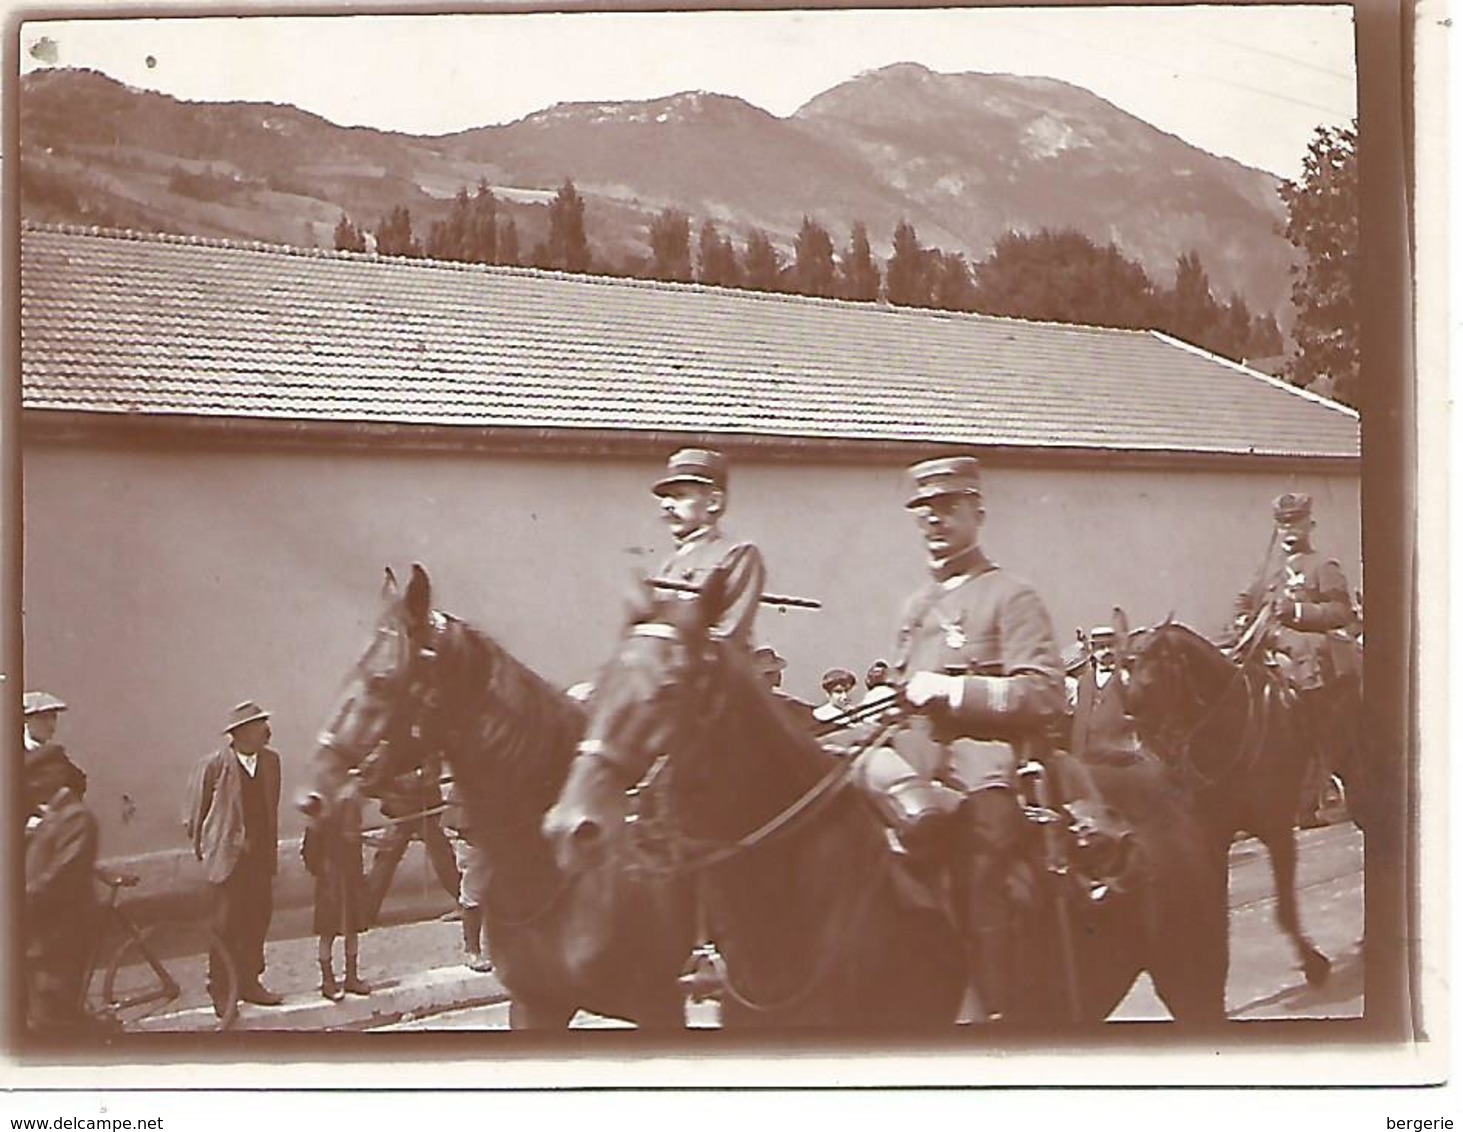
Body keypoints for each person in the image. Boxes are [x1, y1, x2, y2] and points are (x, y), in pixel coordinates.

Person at [852, 455, 1066, 1022]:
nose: (934, 521)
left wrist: (952, 692)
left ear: (978, 512)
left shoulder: (1010, 595)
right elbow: (904, 693)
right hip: (911, 759)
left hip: (984, 763)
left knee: (982, 860)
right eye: (923, 510)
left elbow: (1044, 695)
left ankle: (996, 1008)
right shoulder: (914, 606)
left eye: (948, 508)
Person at [1233, 492, 1363, 828]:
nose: (1289, 530)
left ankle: (1311, 786)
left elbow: (1341, 611)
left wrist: (1297, 612)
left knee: (1307, 673)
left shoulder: (1324, 566)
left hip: (1308, 651)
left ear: (1310, 524)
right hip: (1268, 647)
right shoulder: (1266, 569)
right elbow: (1244, 601)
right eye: (1283, 523)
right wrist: (1242, 620)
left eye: (1296, 523)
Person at [184, 700, 285, 1014]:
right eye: (258, 726)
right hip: (228, 860)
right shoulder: (215, 764)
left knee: (257, 919)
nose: (266, 731)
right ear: (240, 733)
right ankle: (221, 989)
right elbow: (194, 812)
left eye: (265, 723)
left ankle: (250, 982)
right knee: (226, 924)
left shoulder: (271, 762)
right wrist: (207, 847)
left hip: (260, 858)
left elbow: (270, 807)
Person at [649, 448, 767, 648]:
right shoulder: (670, 563)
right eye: (665, 497)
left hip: (712, 668)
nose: (667, 504)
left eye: (679, 495)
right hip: (665, 665)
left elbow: (729, 633)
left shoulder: (737, 553)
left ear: (714, 502)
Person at [23, 744, 99, 1033]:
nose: (32, 783)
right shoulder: (50, 817)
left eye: (37, 776)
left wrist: (23, 898)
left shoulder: (75, 817)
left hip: (62, 932)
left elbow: (61, 876)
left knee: (55, 1017)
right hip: (42, 932)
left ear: (56, 775)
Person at [363, 750, 462, 925]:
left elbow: (431, 772)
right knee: (385, 858)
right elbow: (371, 780)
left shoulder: (421, 740)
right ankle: (365, 913)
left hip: (422, 809)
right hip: (400, 809)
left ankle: (465, 902)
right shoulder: (388, 744)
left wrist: (400, 782)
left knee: (441, 856)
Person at [301, 772, 371, 1002]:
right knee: (328, 930)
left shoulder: (352, 811)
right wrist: (320, 869)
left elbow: (356, 840)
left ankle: (351, 976)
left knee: (352, 928)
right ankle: (328, 980)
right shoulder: (319, 815)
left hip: (350, 875)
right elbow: (309, 850)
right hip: (330, 878)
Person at [1068, 626, 1141, 763]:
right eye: (1101, 648)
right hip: (1087, 755)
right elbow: (1079, 718)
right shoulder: (1084, 681)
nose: (1106, 651)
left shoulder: (1126, 677)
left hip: (1119, 755)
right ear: (1093, 651)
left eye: (1110, 646)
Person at [443, 776, 493, 973]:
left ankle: (494, 949)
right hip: (475, 839)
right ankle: (472, 950)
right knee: (473, 895)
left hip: (500, 837)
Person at [22, 691, 87, 805]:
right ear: (25, 720)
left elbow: (77, 782)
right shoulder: (9, 754)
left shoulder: (56, 757)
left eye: (53, 718)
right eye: (43, 718)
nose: (51, 724)